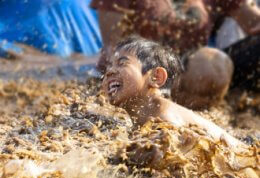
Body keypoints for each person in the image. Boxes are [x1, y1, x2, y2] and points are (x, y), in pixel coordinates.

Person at [92, 0, 260, 109]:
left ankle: (236, 110)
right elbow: (113, 50)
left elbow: (254, 23)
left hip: (192, 76)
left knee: (213, 63)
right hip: (144, 74)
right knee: (206, 68)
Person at [102, 36, 245, 148]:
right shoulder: (149, 115)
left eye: (122, 63)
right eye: (109, 66)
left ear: (156, 77)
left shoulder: (164, 121)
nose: (110, 71)